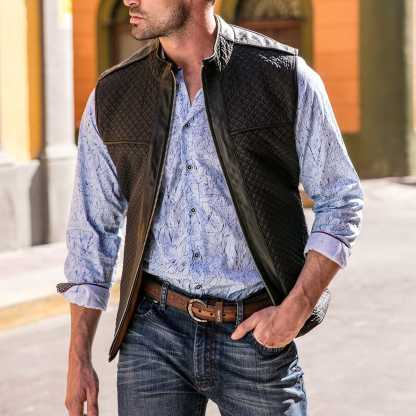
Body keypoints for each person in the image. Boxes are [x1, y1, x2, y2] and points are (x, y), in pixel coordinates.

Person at [57, 1, 364, 415]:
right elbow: (91, 230)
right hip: (153, 337)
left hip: (255, 334)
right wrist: (78, 356)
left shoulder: (282, 76)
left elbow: (341, 199)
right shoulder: (114, 95)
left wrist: (295, 310)